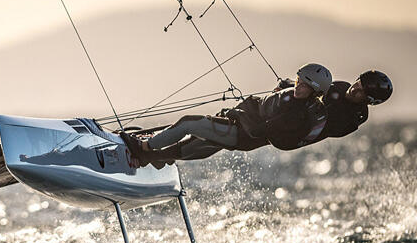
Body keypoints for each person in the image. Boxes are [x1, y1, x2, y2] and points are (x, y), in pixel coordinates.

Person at [120, 63, 333, 168]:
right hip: (239, 129)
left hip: (241, 134)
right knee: (197, 143)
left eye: (305, 86)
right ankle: (155, 158)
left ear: (315, 93)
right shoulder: (294, 94)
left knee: (189, 124)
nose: (299, 87)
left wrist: (237, 113)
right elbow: (285, 91)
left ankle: (144, 148)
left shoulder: (294, 115)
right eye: (299, 81)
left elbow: (258, 130)